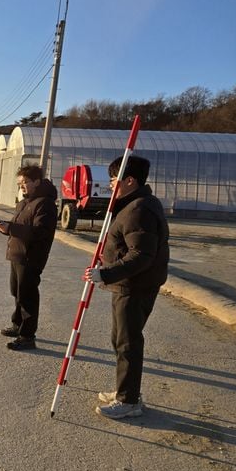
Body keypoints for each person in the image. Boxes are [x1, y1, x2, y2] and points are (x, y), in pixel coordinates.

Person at [84, 155, 169, 420]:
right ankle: (126, 390)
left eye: (113, 179)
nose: (110, 185)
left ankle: (129, 401)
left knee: (128, 343)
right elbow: (127, 248)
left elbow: (141, 255)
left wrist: (105, 273)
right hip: (127, 283)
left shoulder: (139, 209)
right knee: (121, 339)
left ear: (129, 180)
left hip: (135, 286)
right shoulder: (133, 204)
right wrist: (107, 263)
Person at [0, 164, 57, 350]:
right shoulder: (24, 202)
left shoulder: (45, 203)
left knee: (27, 296)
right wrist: (5, 228)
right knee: (16, 292)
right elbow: (18, 227)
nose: (21, 186)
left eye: (25, 182)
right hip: (17, 254)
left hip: (31, 257)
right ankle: (17, 324)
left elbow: (40, 232)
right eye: (19, 183)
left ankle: (27, 336)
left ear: (37, 182)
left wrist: (11, 228)